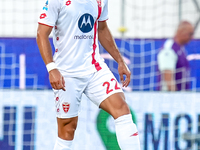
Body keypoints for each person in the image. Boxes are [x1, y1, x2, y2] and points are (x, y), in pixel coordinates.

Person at [36, 0, 141, 149]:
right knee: (67, 129)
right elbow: (41, 34)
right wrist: (52, 68)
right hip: (67, 73)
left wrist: (120, 61)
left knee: (122, 109)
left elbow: (102, 29)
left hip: (94, 68)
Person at [157, 21, 194, 91]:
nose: (192, 37)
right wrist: (176, 99)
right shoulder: (169, 49)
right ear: (182, 32)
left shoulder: (180, 49)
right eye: (190, 34)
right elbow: (168, 79)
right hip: (170, 99)